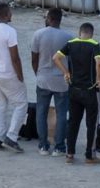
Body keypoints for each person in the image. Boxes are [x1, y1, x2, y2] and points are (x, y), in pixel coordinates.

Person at [52, 22, 100, 164]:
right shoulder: (94, 44)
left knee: (73, 122)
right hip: (90, 90)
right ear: (91, 33)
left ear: (79, 32)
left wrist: (66, 72)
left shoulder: (71, 43)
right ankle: (90, 155)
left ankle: (69, 154)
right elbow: (98, 63)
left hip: (74, 90)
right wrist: (98, 79)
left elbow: (55, 58)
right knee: (91, 124)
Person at [0, 3, 26, 152]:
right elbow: (15, 58)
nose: (11, 14)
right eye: (10, 12)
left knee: (1, 105)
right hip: (7, 73)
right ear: (6, 14)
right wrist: (20, 75)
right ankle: (12, 136)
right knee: (21, 104)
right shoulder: (10, 31)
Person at [30, 9, 72, 157]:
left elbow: (34, 58)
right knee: (61, 114)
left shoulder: (38, 34)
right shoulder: (68, 37)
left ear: (48, 18)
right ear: (60, 19)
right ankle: (59, 146)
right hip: (61, 81)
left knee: (41, 112)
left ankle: (43, 145)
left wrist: (38, 73)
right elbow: (71, 62)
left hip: (43, 78)